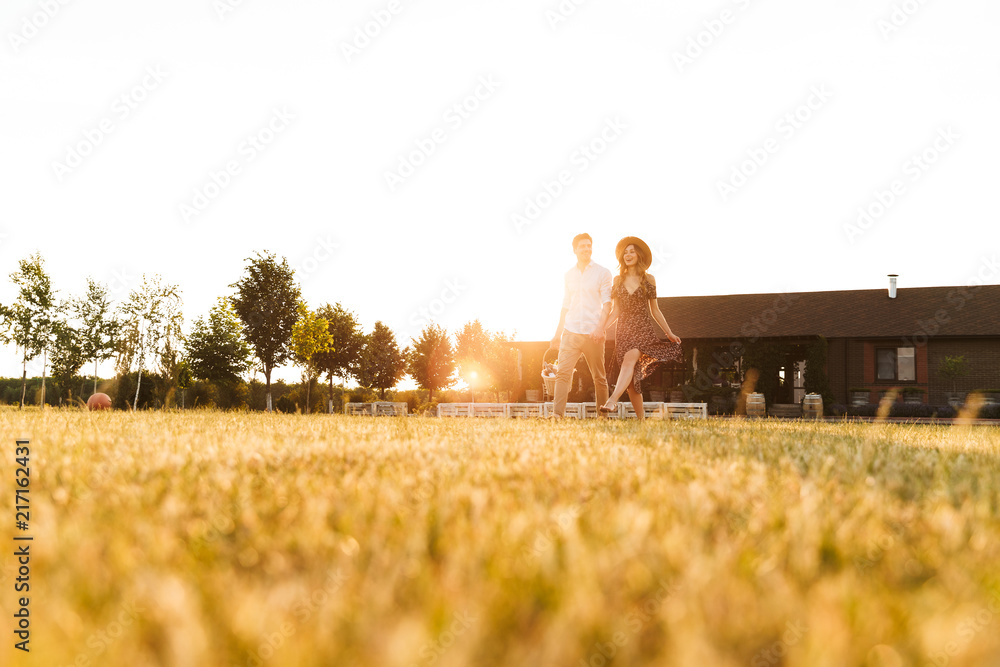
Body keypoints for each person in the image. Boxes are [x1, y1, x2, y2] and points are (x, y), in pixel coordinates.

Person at [600, 236, 682, 420]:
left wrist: (668, 333)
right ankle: (642, 422)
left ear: (639, 254)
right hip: (623, 331)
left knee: (630, 359)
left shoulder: (649, 279)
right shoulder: (617, 280)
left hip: (642, 329)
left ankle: (612, 400)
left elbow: (655, 310)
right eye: (625, 252)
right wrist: (602, 328)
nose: (628, 255)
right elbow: (615, 312)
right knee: (632, 382)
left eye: (632, 251)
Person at [549, 233, 613, 418]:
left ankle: (603, 417)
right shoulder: (568, 275)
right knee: (562, 374)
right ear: (575, 250)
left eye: (589, 245)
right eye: (582, 246)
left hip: (593, 333)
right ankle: (557, 415)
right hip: (571, 332)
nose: (586, 249)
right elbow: (565, 305)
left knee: (599, 378)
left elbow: (607, 303)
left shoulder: (603, 272)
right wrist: (557, 334)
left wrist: (601, 328)